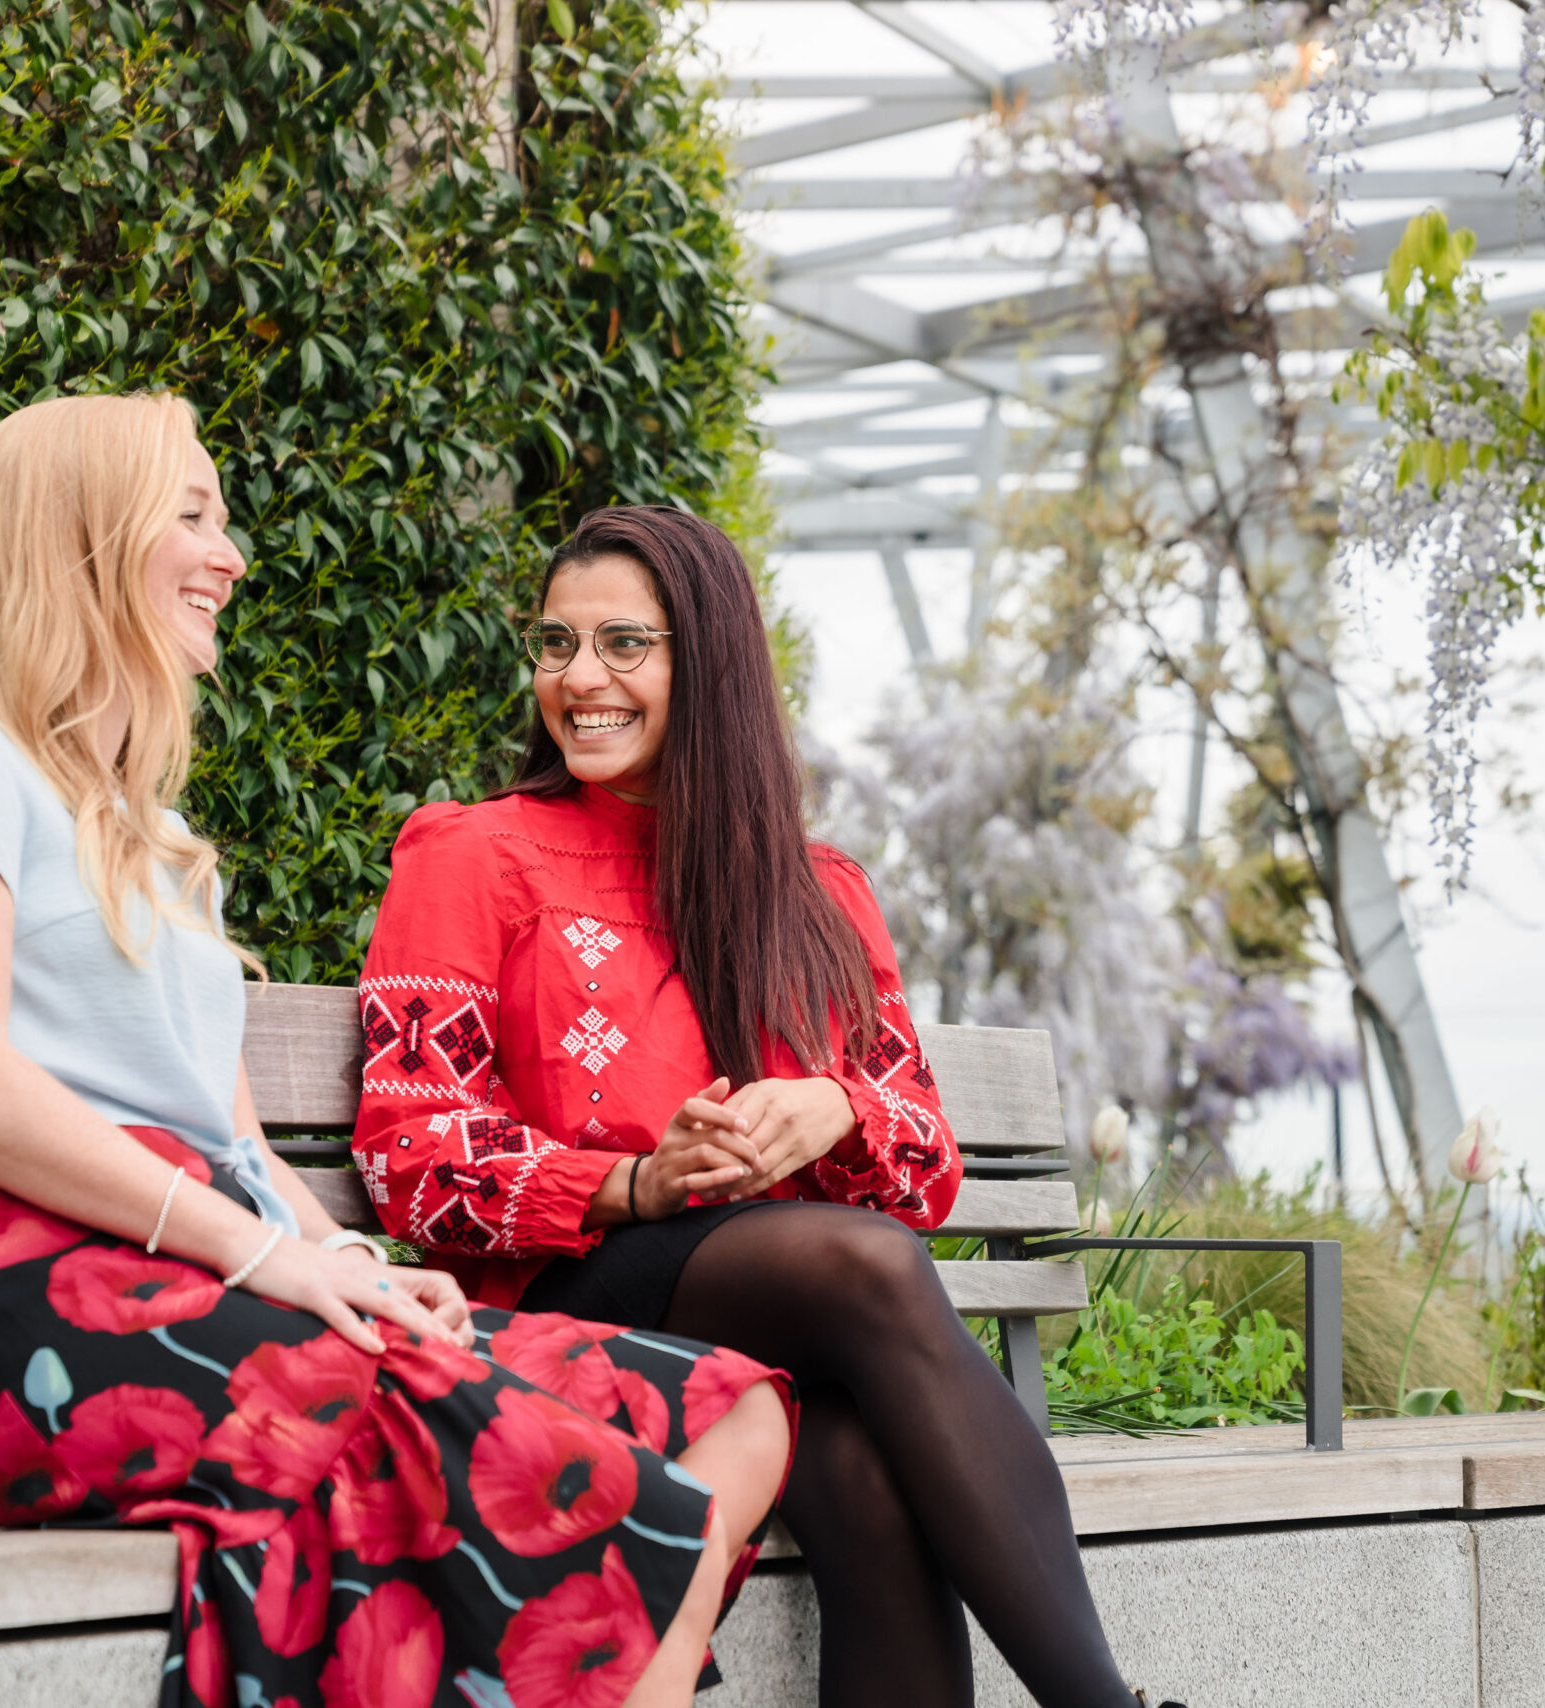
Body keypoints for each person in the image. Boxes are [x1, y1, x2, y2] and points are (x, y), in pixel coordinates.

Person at [0, 398, 792, 1708]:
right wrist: (261, 1255)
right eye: (195, 516)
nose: (233, 555)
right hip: (16, 1316)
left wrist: (346, 1263)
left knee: (738, 1412)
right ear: (84, 538)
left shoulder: (152, 844)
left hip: (215, 1290)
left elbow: (238, 1149)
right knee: (455, 1423)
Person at [354, 505, 1167, 1708]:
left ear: (709, 661)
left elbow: (924, 1162)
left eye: (624, 644)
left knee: (867, 1469)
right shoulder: (472, 856)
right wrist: (634, 1180)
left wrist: (836, 1108)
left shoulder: (818, 892)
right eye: (555, 644)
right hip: (561, 1307)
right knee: (868, 1265)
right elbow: (410, 1157)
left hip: (772, 1329)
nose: (580, 680)